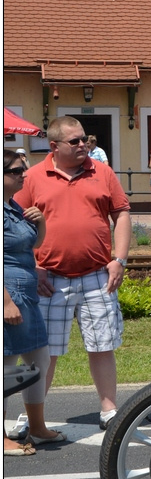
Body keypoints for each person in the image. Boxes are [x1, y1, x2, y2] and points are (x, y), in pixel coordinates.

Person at [13, 116, 131, 430]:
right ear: (54, 146)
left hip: (97, 277)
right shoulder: (33, 176)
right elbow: (13, 223)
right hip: (48, 280)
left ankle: (109, 410)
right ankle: (32, 416)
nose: (84, 145)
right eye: (75, 141)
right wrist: (33, 266)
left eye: (85, 139)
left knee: (102, 345)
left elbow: (121, 213)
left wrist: (119, 259)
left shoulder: (102, 171)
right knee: (43, 352)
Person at [4, 150, 65, 455]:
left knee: (38, 360)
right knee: (5, 367)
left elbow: (35, 244)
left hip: (25, 294)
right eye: (16, 171)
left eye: (23, 170)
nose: (23, 174)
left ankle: (37, 427)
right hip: (8, 295)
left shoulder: (13, 207)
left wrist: (40, 222)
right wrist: (5, 302)